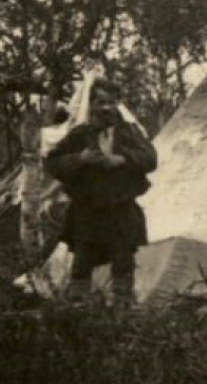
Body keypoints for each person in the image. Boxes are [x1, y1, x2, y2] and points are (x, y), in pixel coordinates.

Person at [45, 79, 158, 306]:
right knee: (82, 262)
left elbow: (151, 159)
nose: (105, 108)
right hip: (87, 209)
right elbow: (52, 163)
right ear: (92, 104)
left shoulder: (130, 132)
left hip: (121, 208)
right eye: (100, 102)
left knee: (123, 262)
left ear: (117, 103)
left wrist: (124, 158)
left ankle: (122, 308)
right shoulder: (79, 134)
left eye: (110, 102)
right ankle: (79, 310)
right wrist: (80, 158)